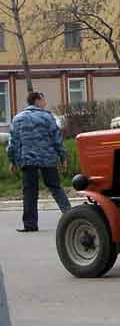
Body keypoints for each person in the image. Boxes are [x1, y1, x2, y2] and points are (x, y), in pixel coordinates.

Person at [7, 92, 71, 232]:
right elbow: (57, 139)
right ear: (37, 100)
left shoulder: (18, 118)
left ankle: (30, 224)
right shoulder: (47, 117)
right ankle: (70, 216)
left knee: (29, 191)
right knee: (55, 187)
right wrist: (63, 157)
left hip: (27, 159)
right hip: (47, 158)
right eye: (43, 99)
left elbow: (13, 142)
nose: (45, 102)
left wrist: (12, 160)